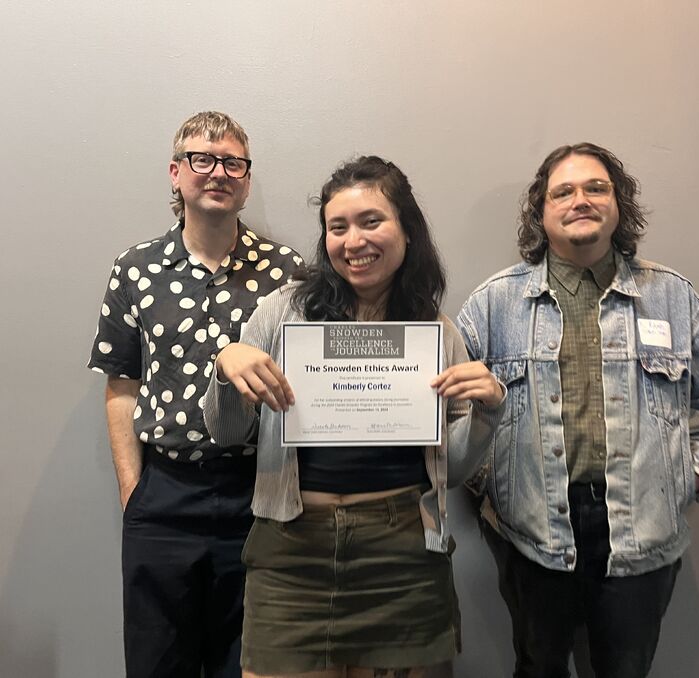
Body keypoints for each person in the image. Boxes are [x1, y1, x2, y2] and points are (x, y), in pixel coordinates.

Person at [203, 155, 506, 678]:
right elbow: (227, 432)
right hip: (290, 548)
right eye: (337, 227)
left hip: (403, 549)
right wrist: (226, 368)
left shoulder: (435, 331)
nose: (353, 240)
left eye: (371, 221)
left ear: (406, 230)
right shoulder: (281, 311)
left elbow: (452, 471)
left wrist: (487, 414)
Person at [457, 142, 699, 678]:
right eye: (562, 191)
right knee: (538, 667)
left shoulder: (674, 299)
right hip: (530, 533)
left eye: (596, 187)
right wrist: (489, 483)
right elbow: (454, 419)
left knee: (626, 670)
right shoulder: (491, 306)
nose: (580, 200)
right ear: (541, 212)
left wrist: (689, 480)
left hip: (644, 533)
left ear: (619, 203)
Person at [87, 111, 303, 678]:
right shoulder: (134, 269)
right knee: (159, 664)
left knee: (252, 665)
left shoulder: (287, 272)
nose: (218, 172)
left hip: (257, 498)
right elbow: (121, 386)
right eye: (202, 160)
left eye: (233, 162)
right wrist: (134, 495)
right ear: (176, 174)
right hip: (164, 498)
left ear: (247, 179)